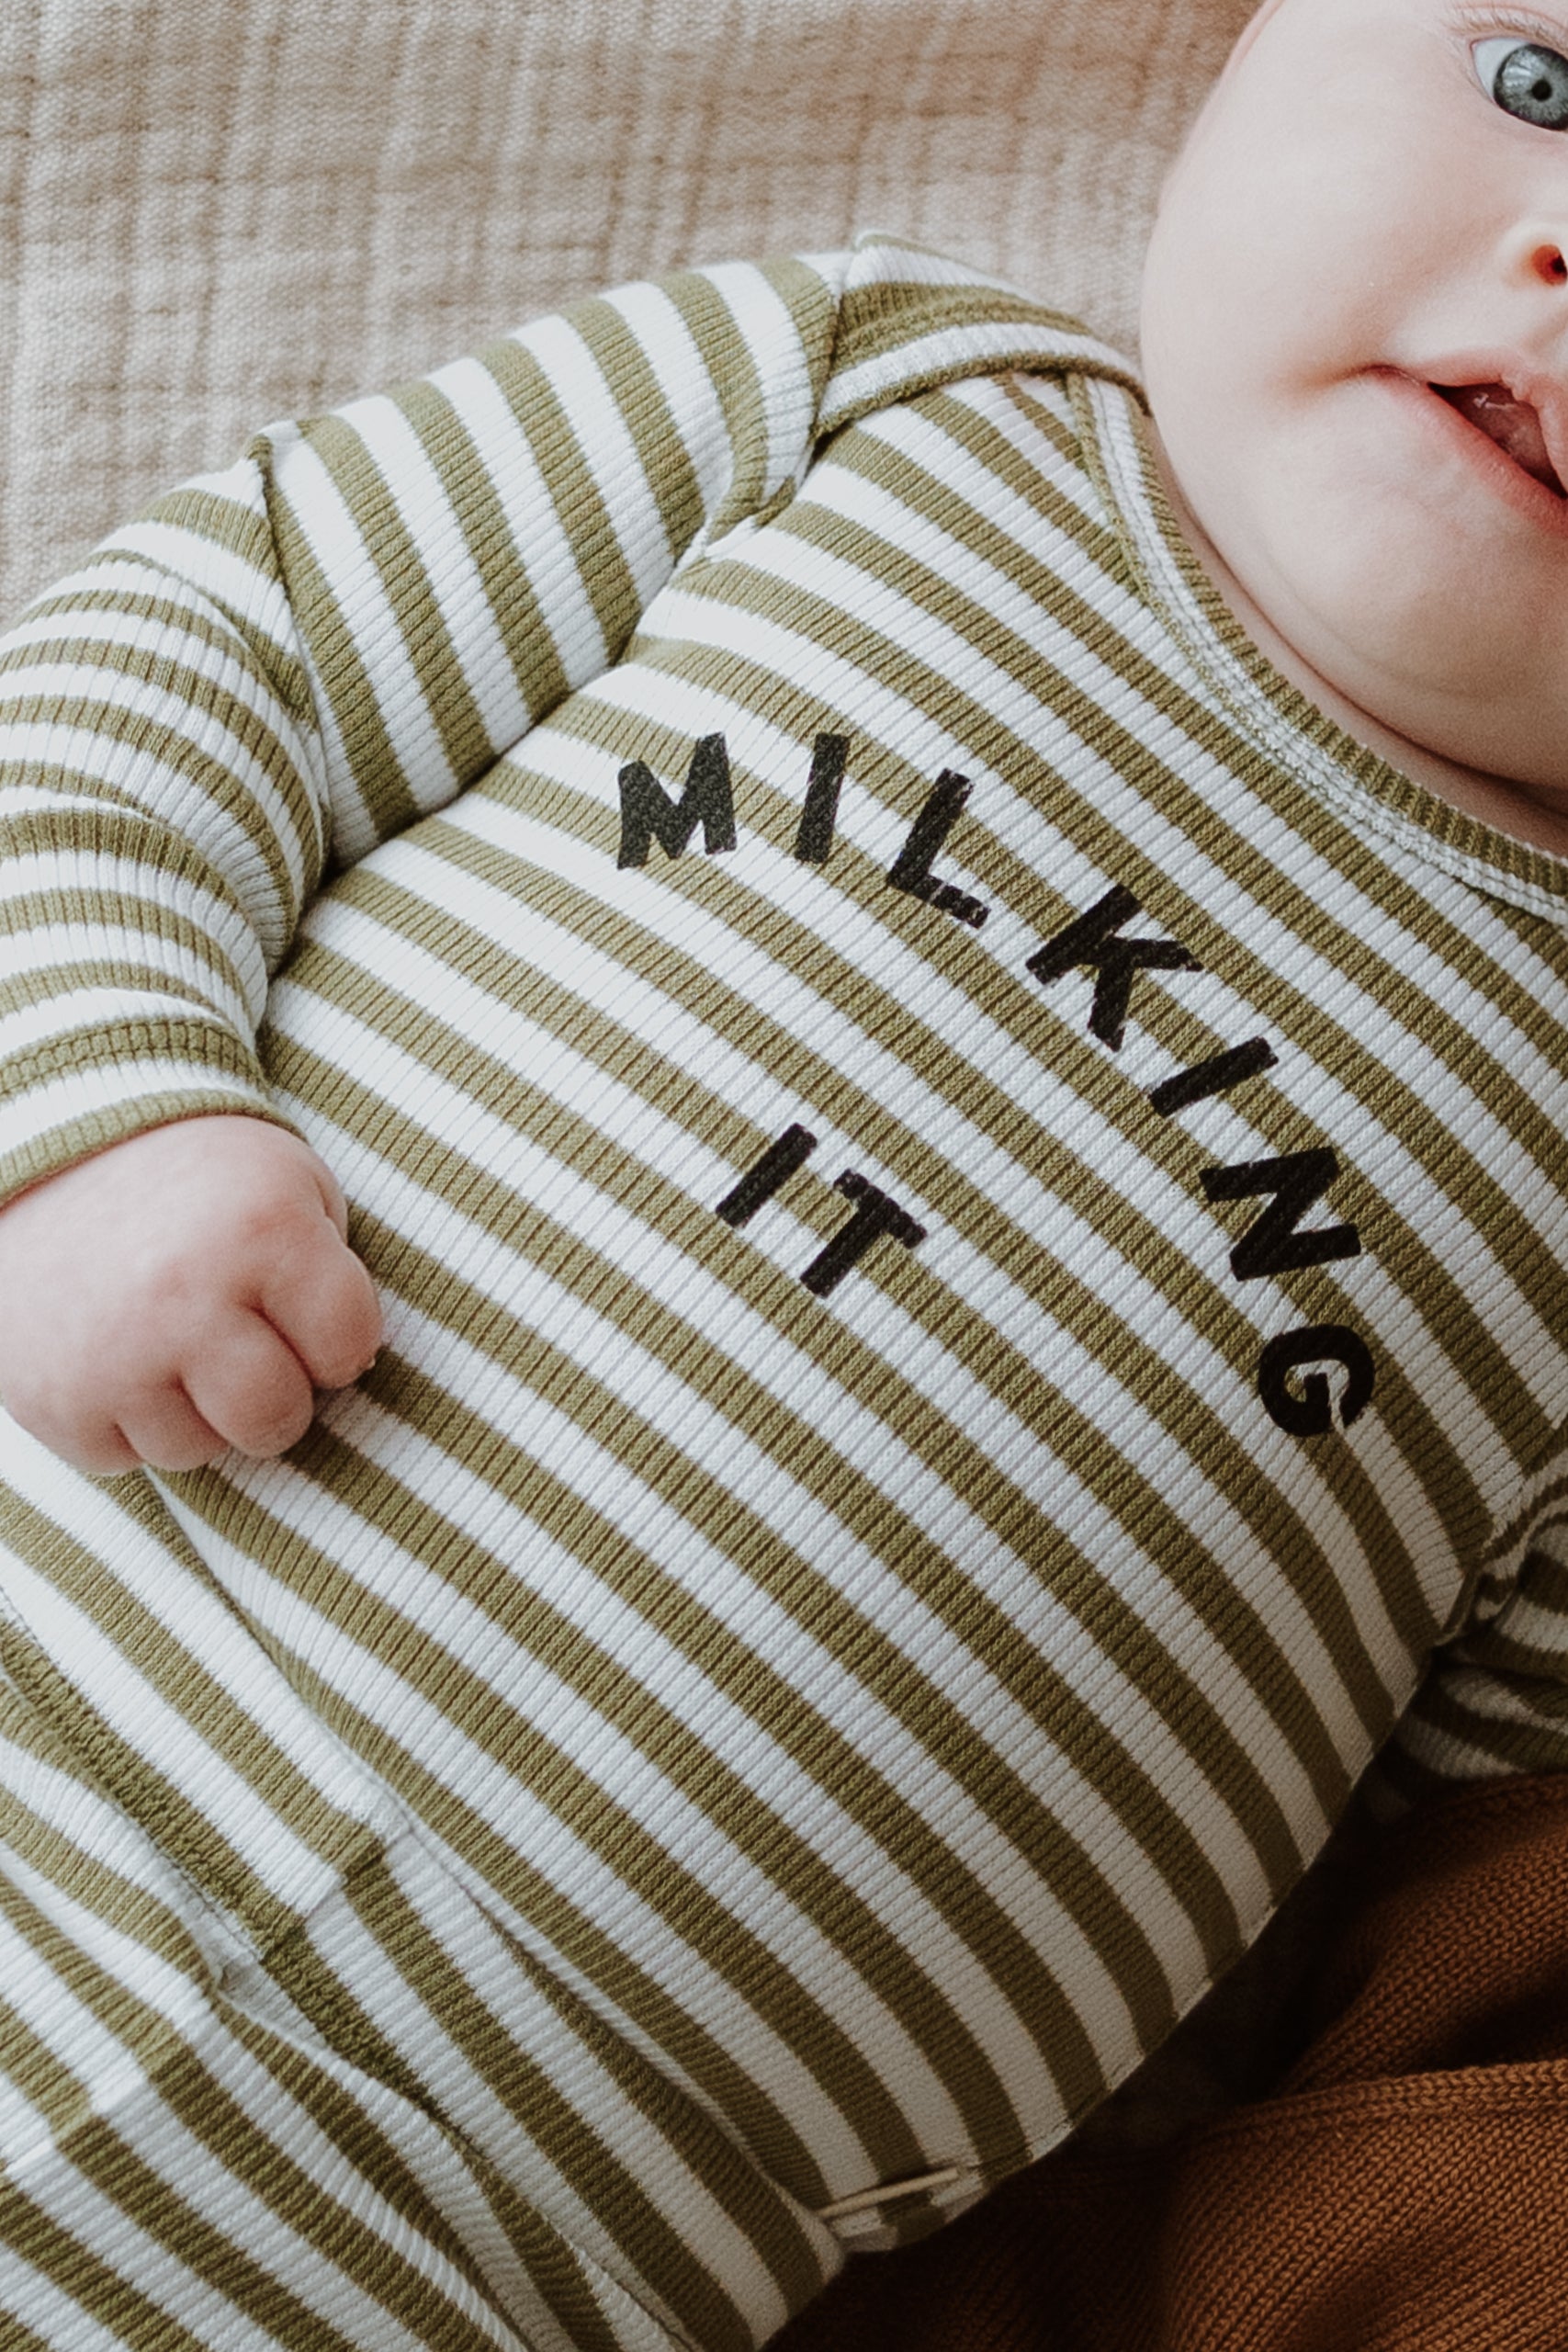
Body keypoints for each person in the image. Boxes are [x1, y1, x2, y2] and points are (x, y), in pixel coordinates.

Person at [4, 0, 1568, 2342]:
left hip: (495, 2251)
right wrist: (91, 1113)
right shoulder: (869, 403)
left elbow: (1443, 1866)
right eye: (1535, 81)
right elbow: (193, 663)